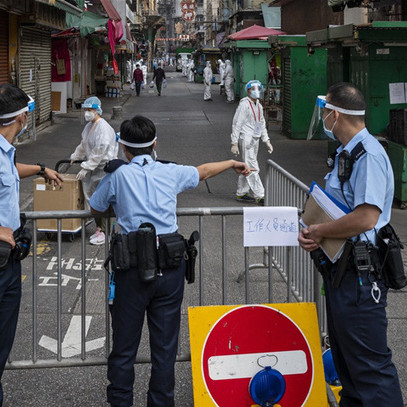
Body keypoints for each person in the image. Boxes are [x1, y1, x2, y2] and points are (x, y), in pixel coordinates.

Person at [89, 115, 253, 407]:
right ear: (154, 144)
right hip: (170, 268)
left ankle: (120, 401)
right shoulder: (171, 172)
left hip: (132, 270)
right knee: (164, 349)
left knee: (124, 347)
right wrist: (231, 164)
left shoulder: (118, 176)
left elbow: (96, 207)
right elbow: (202, 172)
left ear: (124, 149)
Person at [299, 82, 403, 406]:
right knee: (348, 366)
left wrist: (320, 229)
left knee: (370, 368)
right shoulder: (347, 153)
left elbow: (366, 218)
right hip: (343, 271)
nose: (324, 118)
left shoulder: (369, 155)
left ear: (335, 114)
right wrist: (316, 229)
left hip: (361, 274)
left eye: (325, 111)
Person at [0, 84, 63, 406]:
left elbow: (8, 172)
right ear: (22, 116)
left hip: (8, 261)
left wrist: (40, 169)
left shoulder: (5, 152)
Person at [70, 97, 118, 245]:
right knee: (92, 197)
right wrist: (76, 155)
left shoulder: (103, 127)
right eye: (85, 110)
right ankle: (98, 227)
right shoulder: (90, 126)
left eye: (90, 110)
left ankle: (104, 232)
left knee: (101, 200)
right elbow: (84, 144)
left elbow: (100, 150)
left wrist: (86, 166)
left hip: (103, 167)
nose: (87, 113)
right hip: (95, 168)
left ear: (97, 110)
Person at [230, 80, 273, 205]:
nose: (256, 91)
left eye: (258, 88)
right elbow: (237, 124)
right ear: (248, 91)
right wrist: (234, 142)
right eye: (253, 89)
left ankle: (241, 193)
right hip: (246, 138)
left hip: (255, 139)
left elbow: (261, 124)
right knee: (253, 167)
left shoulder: (258, 105)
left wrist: (267, 140)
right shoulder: (244, 105)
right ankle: (260, 195)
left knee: (247, 166)